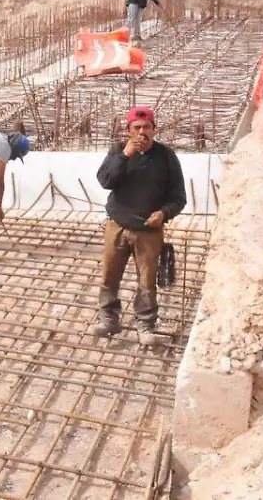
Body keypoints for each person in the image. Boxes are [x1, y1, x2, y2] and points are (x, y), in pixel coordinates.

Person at [94, 106, 186, 345]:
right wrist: (125, 155)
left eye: (147, 127)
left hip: (148, 230)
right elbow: (105, 181)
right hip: (116, 226)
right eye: (137, 128)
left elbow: (178, 197)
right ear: (128, 130)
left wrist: (163, 213)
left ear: (155, 130)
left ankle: (145, 325)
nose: (142, 132)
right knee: (109, 277)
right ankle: (109, 319)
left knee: (146, 281)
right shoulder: (117, 151)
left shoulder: (166, 157)